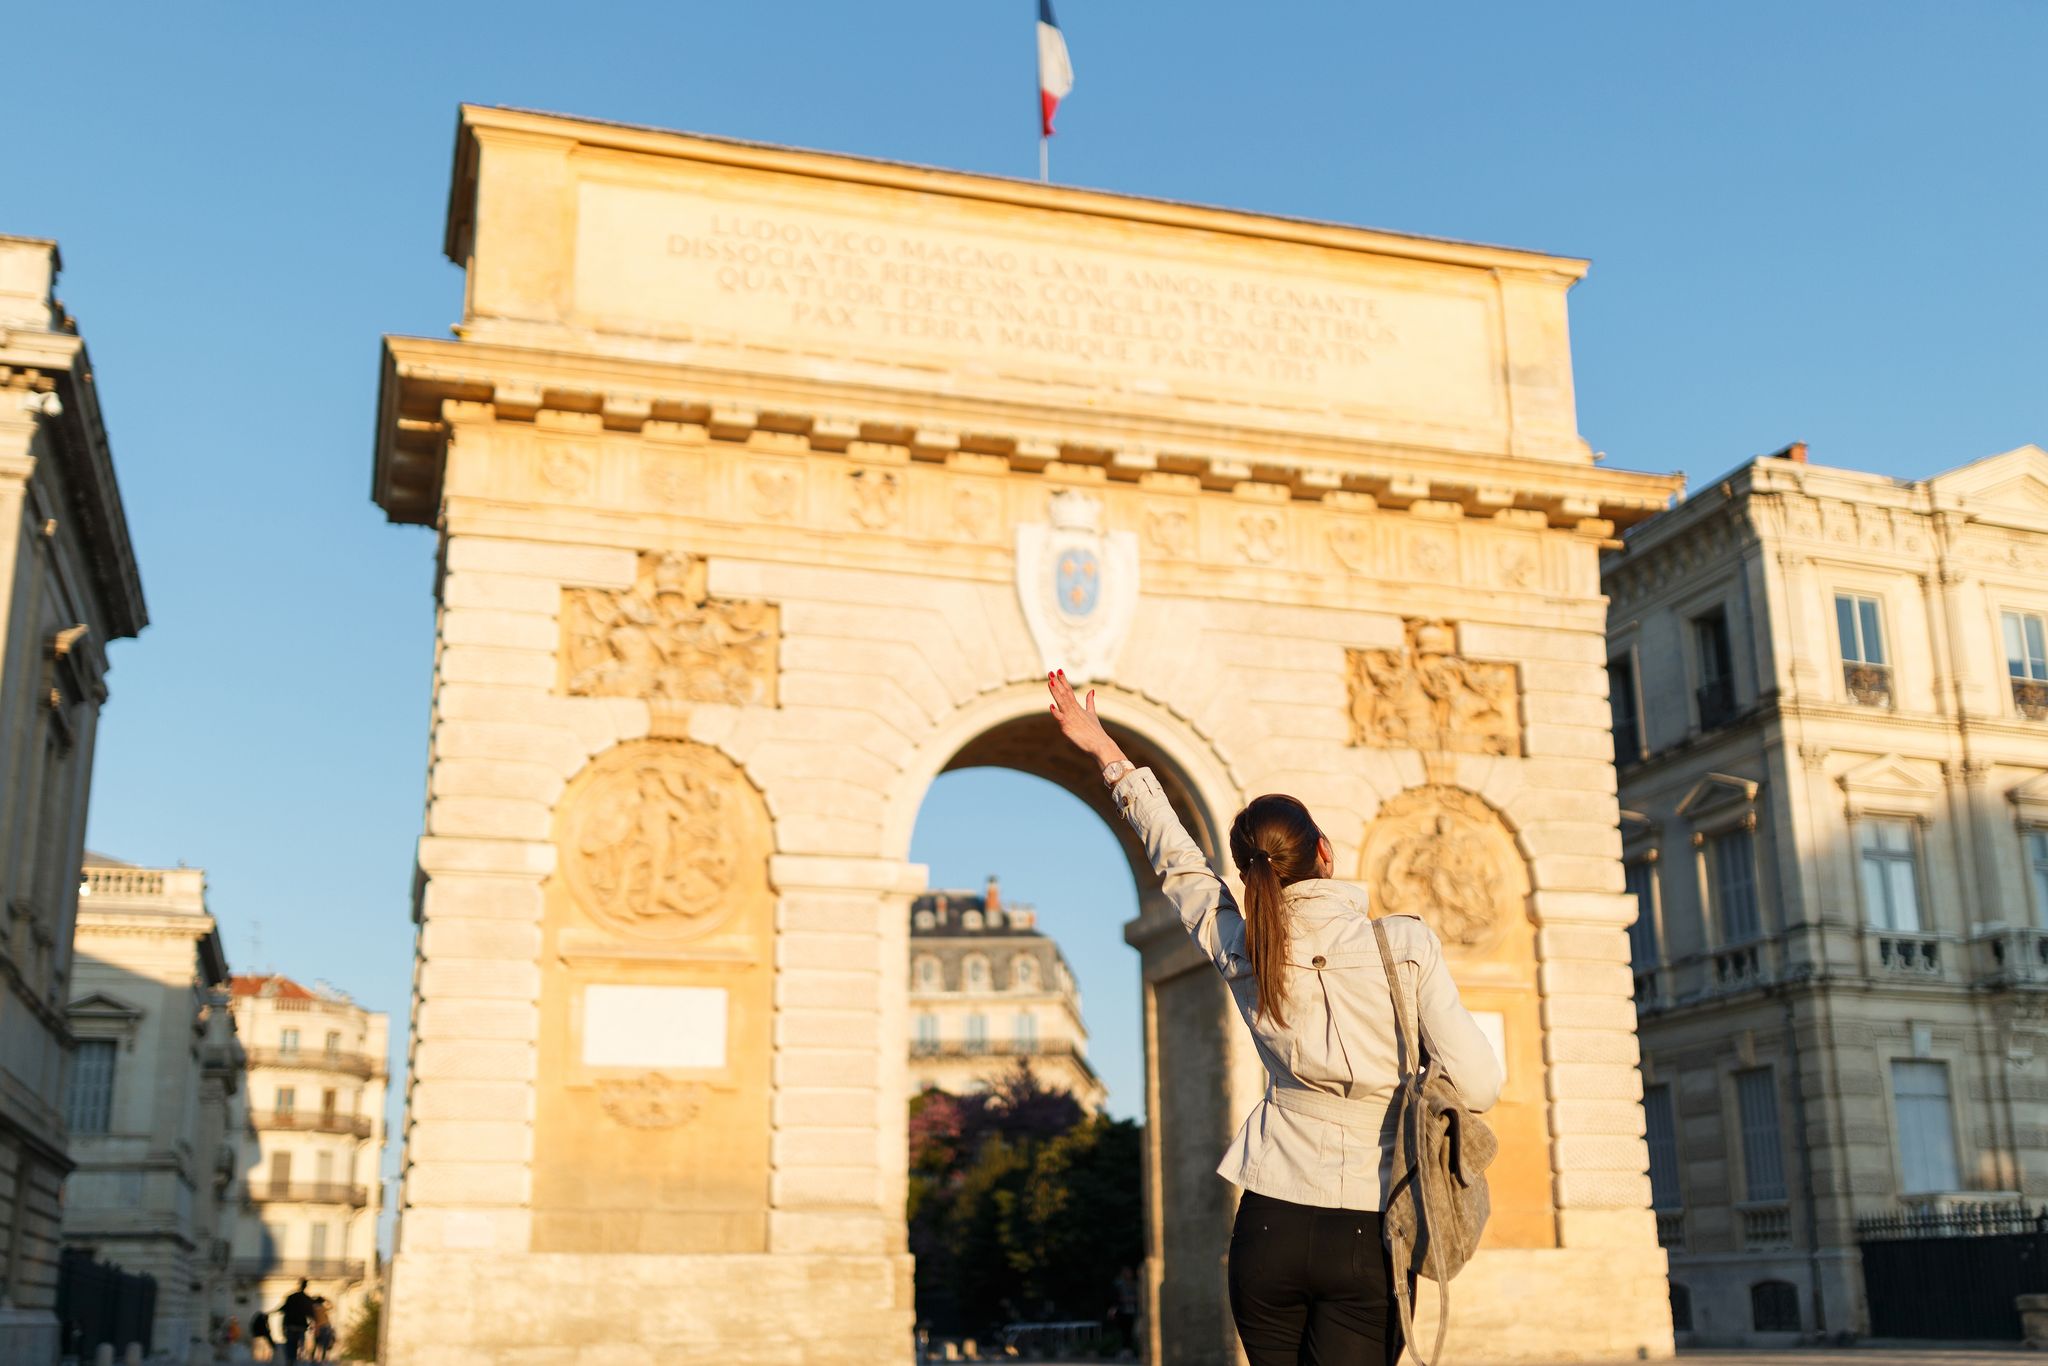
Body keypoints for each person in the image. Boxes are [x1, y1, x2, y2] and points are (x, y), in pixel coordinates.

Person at [1047, 671, 1503, 1366]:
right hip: (1370, 1226)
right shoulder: (1402, 944)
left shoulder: (1245, 947)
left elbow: (1179, 865)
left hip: (1267, 1225)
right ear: (1323, 852)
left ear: (1251, 870)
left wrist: (1104, 750)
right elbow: (1478, 1083)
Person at [277, 1281, 317, 1366]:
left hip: (291, 1326)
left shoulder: (291, 1297)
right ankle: (296, 1361)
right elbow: (311, 1314)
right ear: (305, 1286)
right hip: (300, 1327)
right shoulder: (306, 1299)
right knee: (300, 1346)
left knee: (291, 1346)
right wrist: (313, 1326)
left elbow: (283, 1308)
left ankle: (291, 1362)